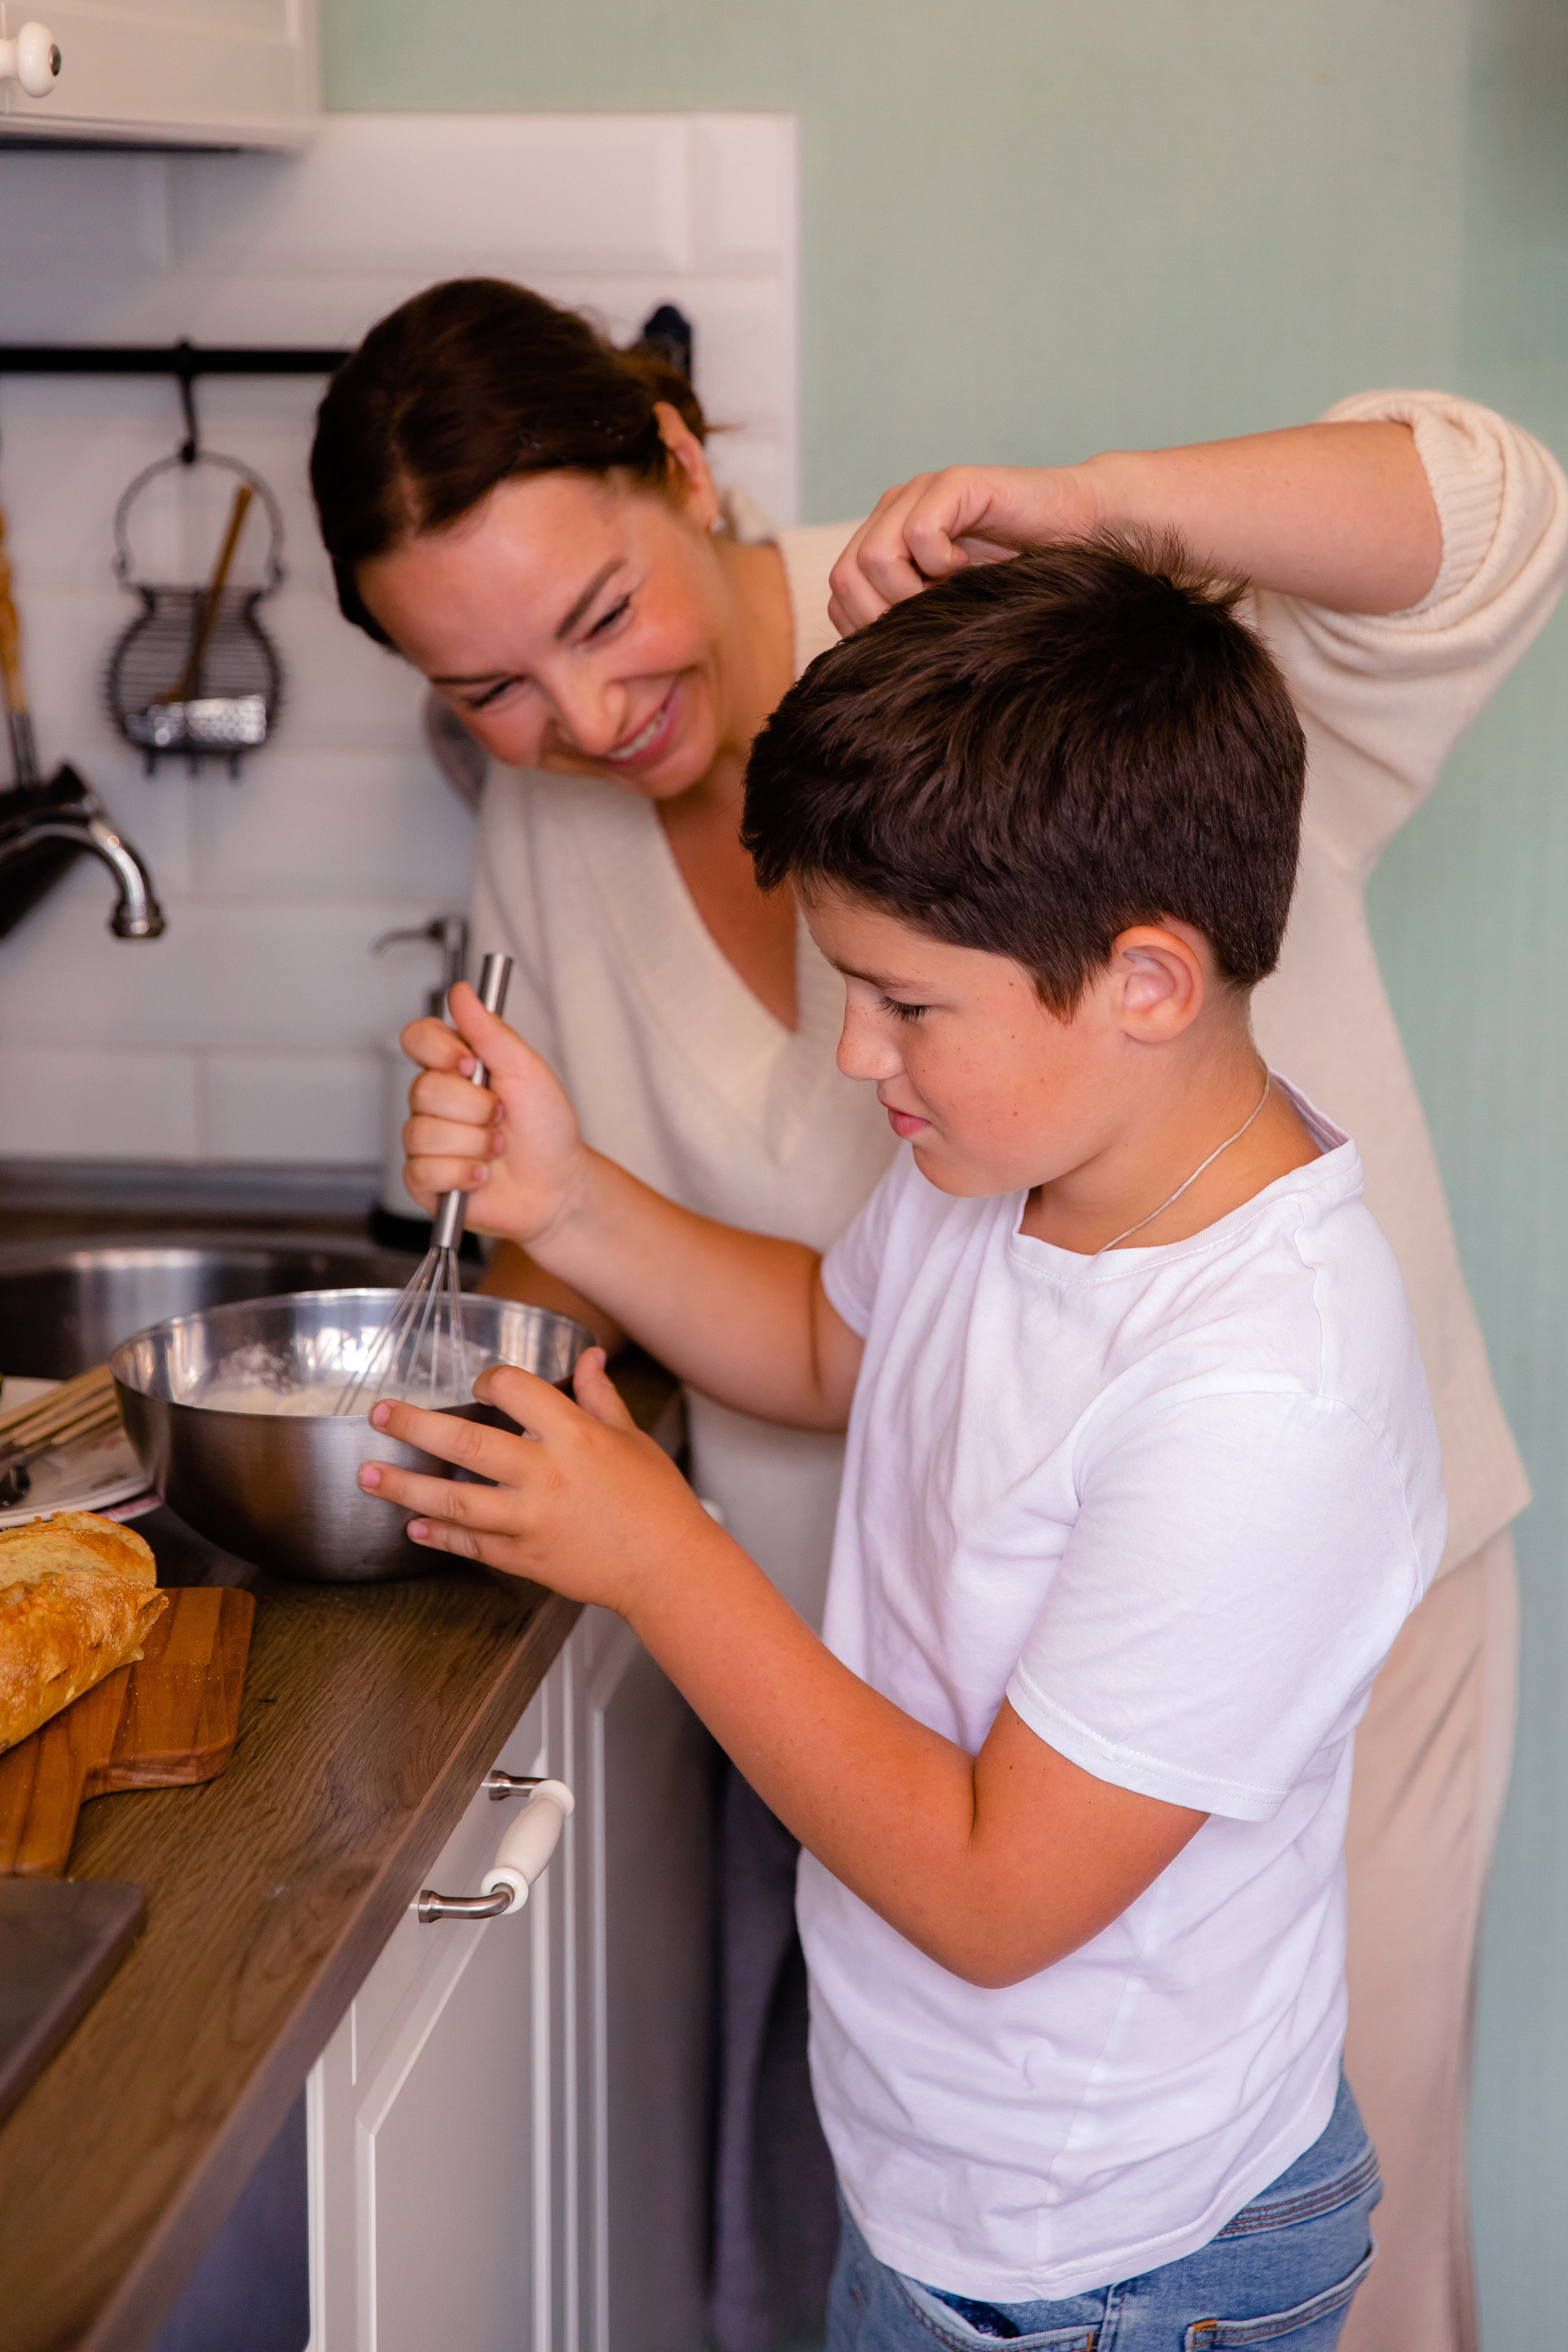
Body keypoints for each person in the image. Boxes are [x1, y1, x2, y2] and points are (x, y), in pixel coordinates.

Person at [358, 533, 1443, 2346]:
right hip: (964, 2187)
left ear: (1148, 982)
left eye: (905, 1002)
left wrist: (661, 1555)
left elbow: (994, 1891)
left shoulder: (1263, 1396)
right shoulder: (1012, 1166)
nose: (857, 1057)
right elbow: (822, 1343)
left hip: (1116, 2268)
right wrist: (573, 1196)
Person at [310, 277, 894, 2351]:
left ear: (680, 462)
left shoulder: (945, 658)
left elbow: (902, 1327)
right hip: (819, 1663)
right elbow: (641, 1271)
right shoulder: (555, 817)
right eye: (485, 689)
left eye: (597, 614)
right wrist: (517, 1214)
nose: (574, 719)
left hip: (1165, 1656)